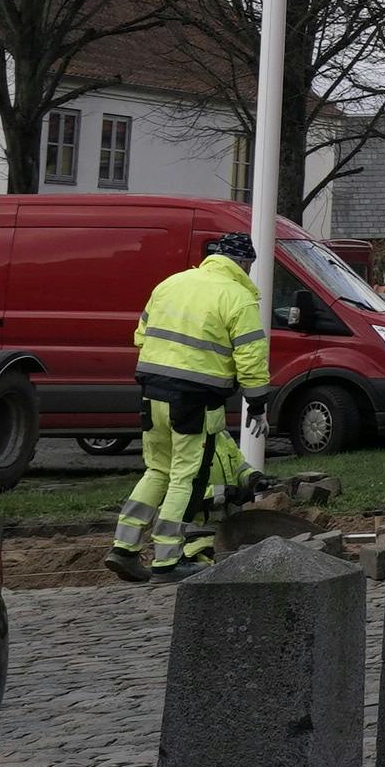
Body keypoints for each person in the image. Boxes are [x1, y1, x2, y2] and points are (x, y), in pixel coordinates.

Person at [109, 230, 269, 580]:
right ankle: (167, 559)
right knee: (186, 475)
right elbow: (251, 357)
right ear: (244, 263)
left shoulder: (171, 284)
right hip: (196, 398)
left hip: (152, 390)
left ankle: (124, 547)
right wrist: (257, 404)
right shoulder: (238, 297)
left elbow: (141, 335)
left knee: (156, 470)